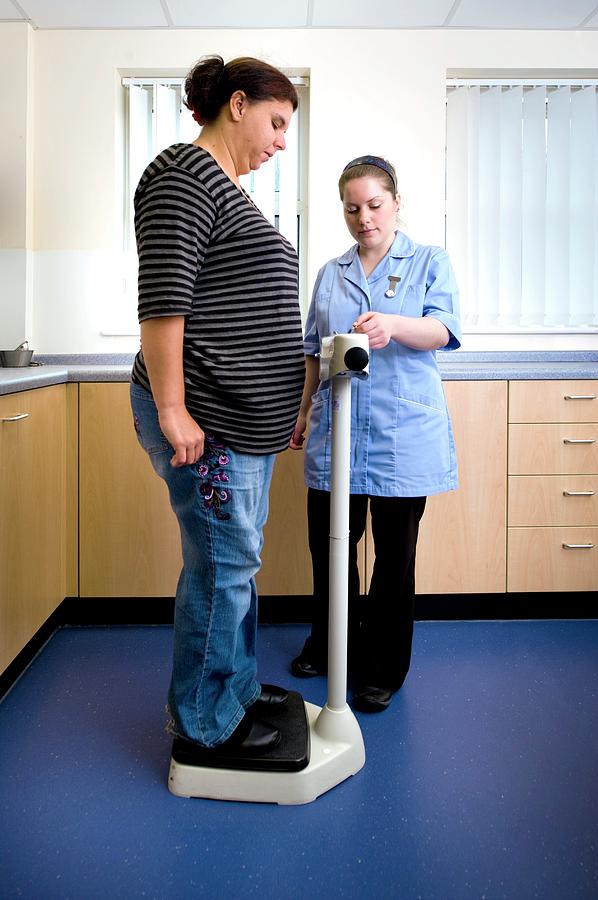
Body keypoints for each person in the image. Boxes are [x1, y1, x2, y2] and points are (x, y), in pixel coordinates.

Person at [129, 55, 305, 759]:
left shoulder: (225, 186)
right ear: (238, 103)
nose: (281, 140)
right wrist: (173, 409)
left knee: (237, 564)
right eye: (277, 121)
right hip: (207, 418)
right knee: (221, 567)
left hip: (241, 423)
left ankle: (230, 688)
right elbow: (165, 299)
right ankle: (204, 723)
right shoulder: (184, 173)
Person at [289, 155, 461, 713]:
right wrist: (301, 412)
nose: (364, 218)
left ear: (396, 202)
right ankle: (330, 641)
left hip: (399, 433)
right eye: (352, 209)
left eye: (374, 205)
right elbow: (314, 351)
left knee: (393, 557)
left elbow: (443, 329)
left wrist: (393, 325)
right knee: (331, 549)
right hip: (335, 431)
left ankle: (384, 667)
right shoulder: (330, 273)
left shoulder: (428, 262)